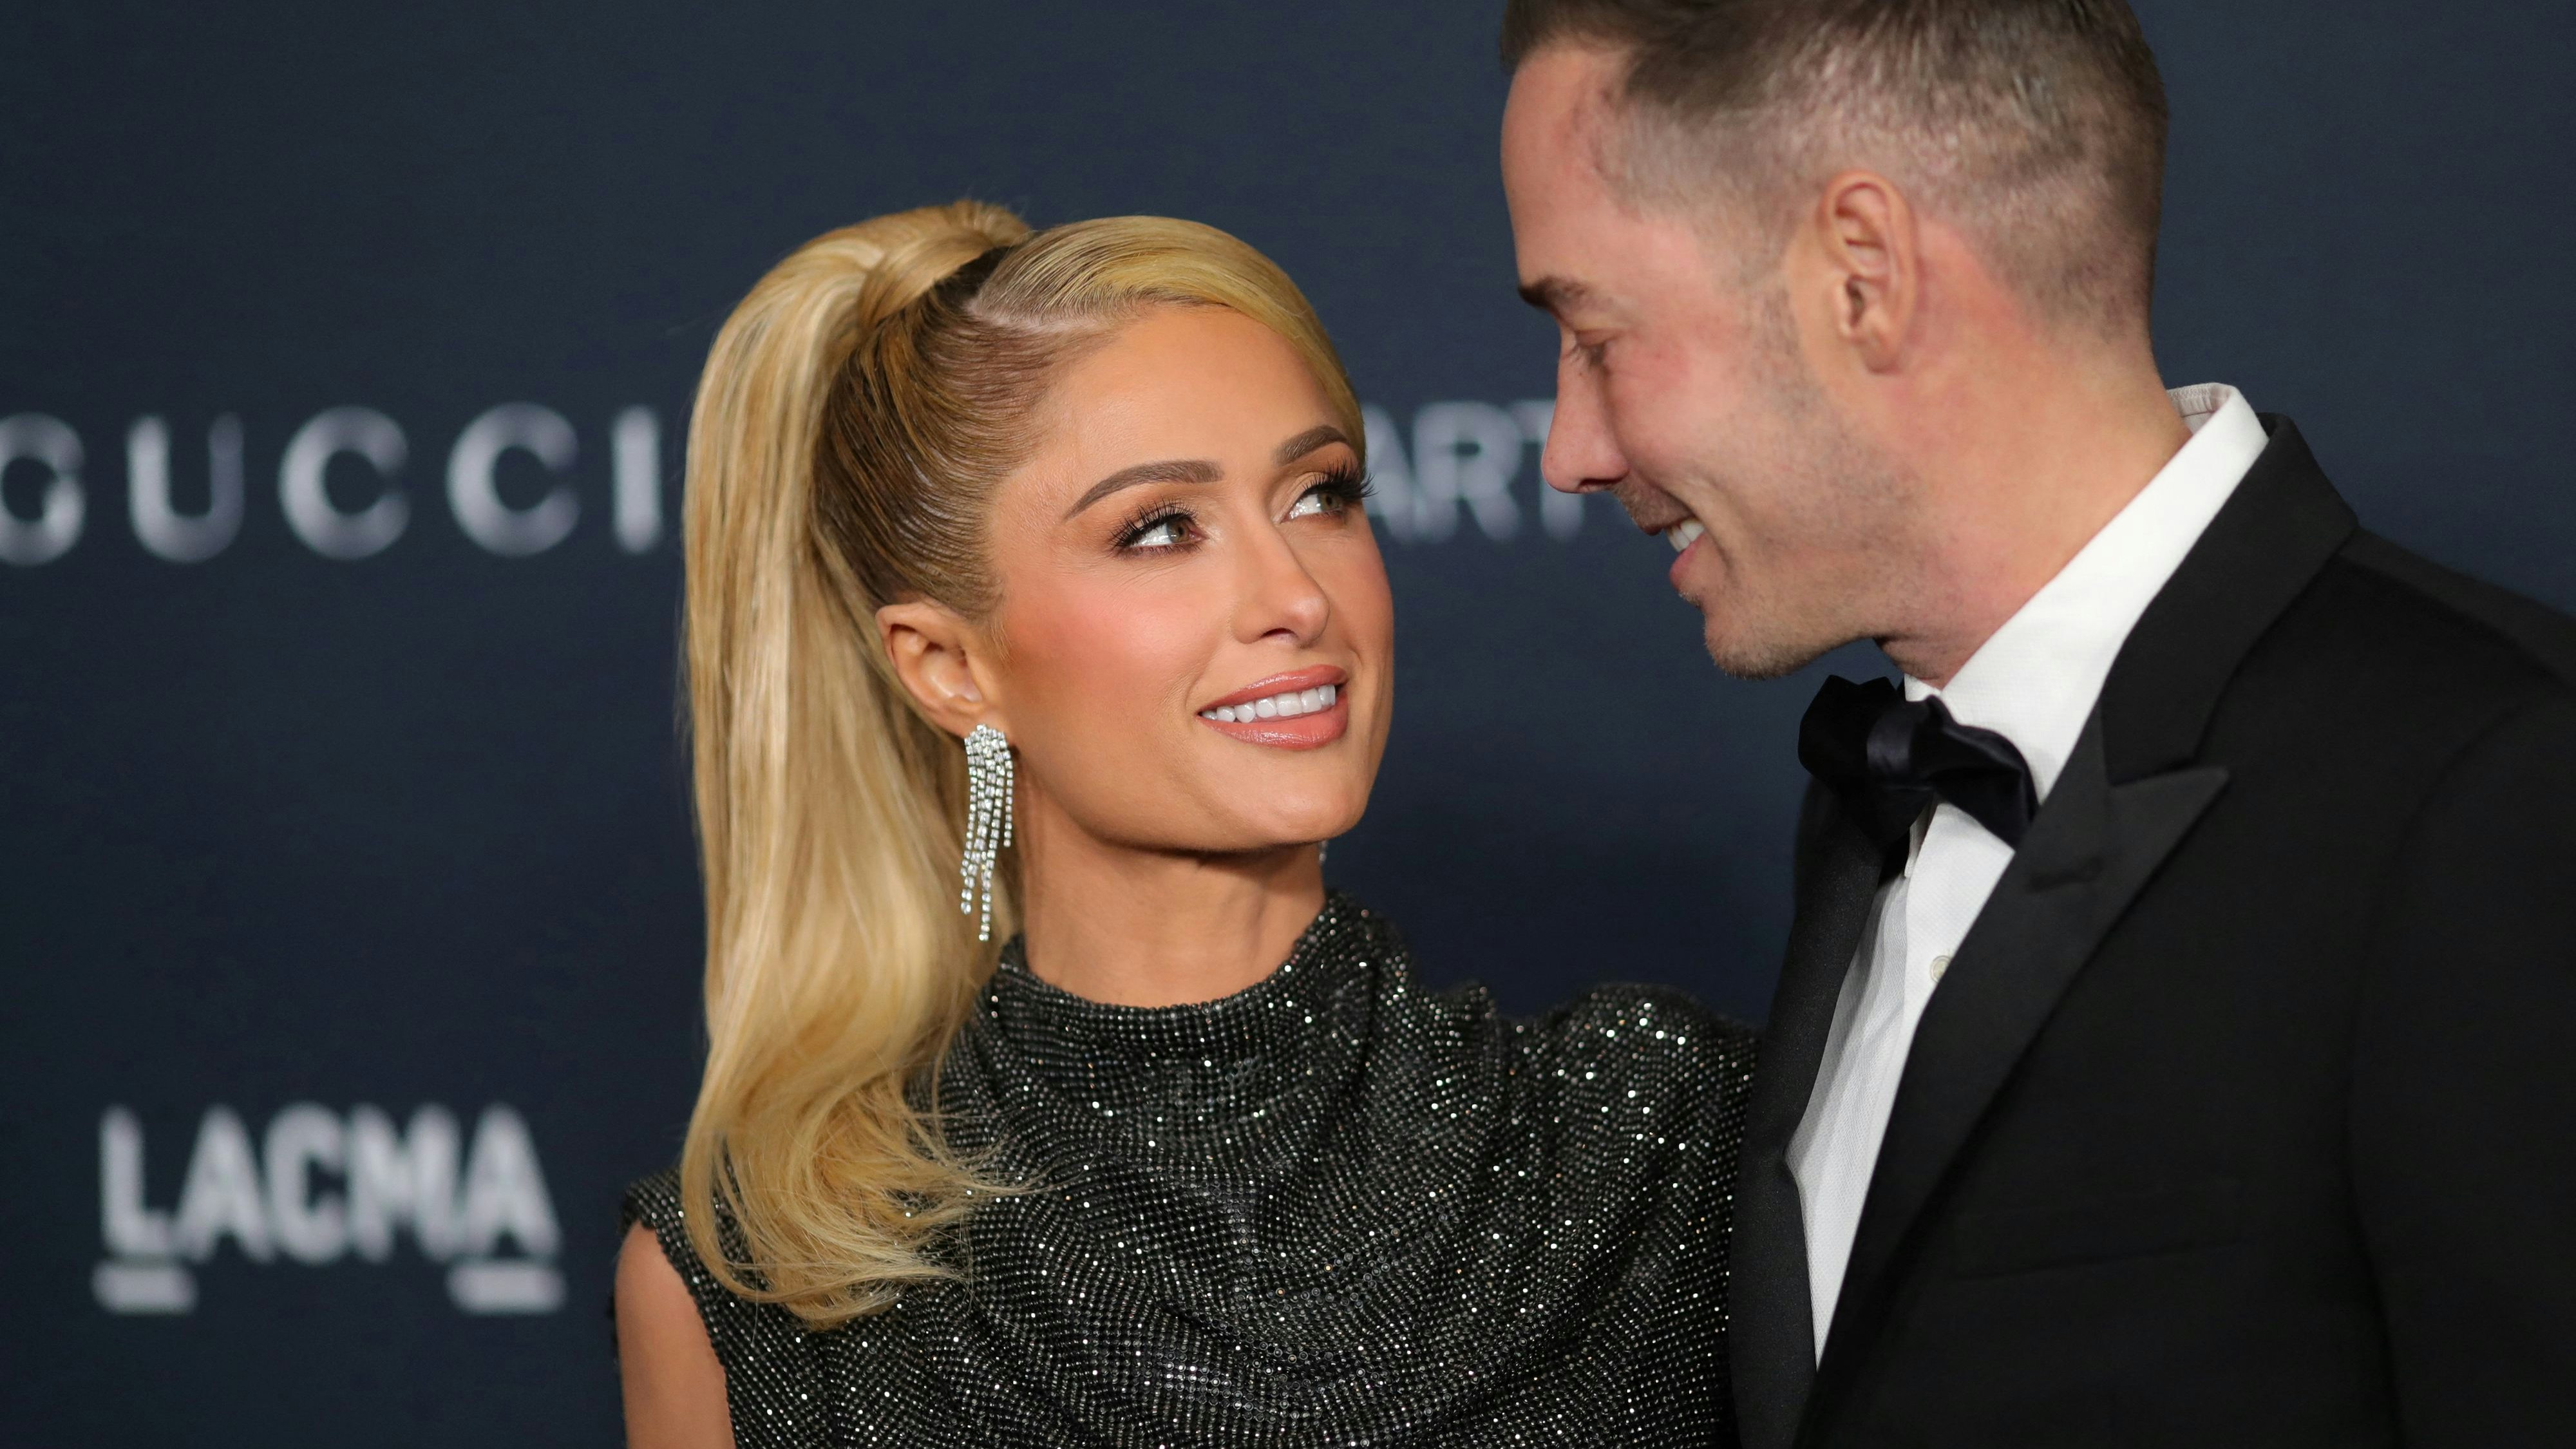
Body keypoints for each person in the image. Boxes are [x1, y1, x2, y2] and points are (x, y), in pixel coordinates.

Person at [1498, 1, 2576, 1445]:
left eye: (1596, 335)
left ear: (1861, 273)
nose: (1569, 451)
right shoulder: (1875, 796)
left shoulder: (2503, 783)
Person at [610, 202, 1756, 1448]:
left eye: (1318, 495)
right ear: (946, 668)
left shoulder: (1653, 1143)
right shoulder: (773, 1293)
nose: (1295, 597)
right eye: (1160, 528)